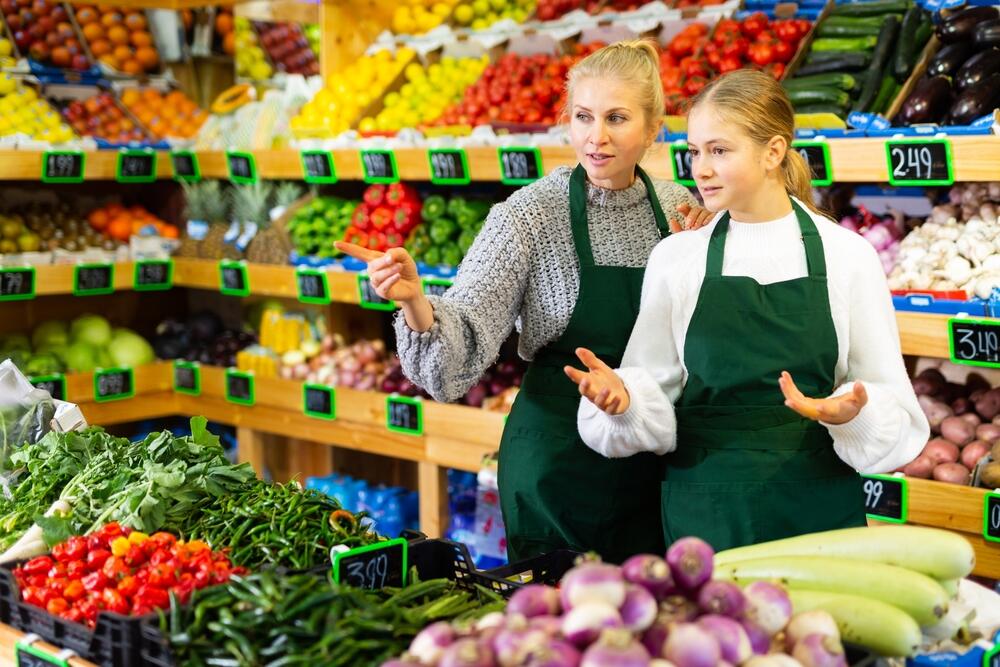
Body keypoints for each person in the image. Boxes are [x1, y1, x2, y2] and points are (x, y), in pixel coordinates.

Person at [337, 40, 712, 563]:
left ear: (654, 128)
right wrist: (416, 302)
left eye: (617, 118)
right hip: (558, 466)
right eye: (583, 117)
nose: (596, 137)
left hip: (653, 459)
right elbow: (461, 343)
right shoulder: (530, 215)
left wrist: (713, 238)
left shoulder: (681, 210)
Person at [568, 69, 929, 552]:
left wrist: (851, 415)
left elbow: (894, 407)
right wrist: (623, 401)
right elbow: (653, 388)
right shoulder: (678, 258)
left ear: (773, 152)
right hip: (705, 519)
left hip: (818, 517)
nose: (700, 168)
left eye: (720, 150)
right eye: (694, 151)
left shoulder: (848, 256)